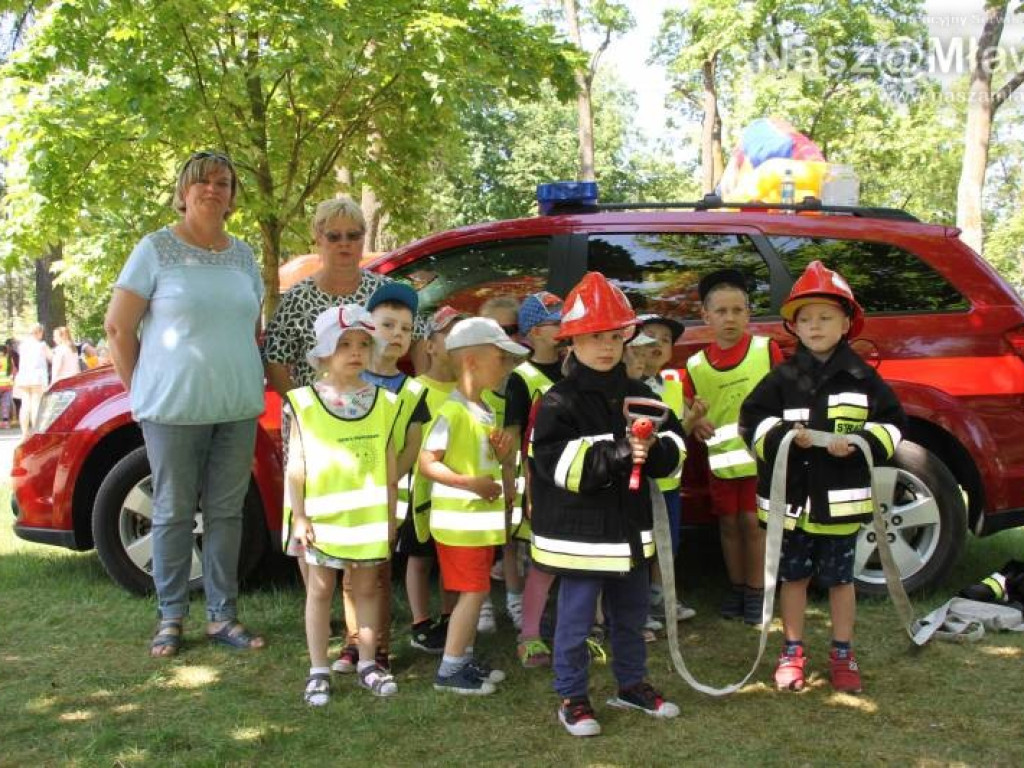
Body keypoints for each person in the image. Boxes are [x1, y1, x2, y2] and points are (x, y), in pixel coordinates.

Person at [105, 150, 266, 658]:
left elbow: (251, 327)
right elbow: (117, 327)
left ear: (233, 196)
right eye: (201, 182)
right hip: (172, 410)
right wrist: (143, 386)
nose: (212, 189)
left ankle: (223, 617)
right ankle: (170, 617)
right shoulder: (155, 249)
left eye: (222, 183)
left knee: (226, 513)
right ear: (183, 193)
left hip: (237, 406)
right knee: (173, 513)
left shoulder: (244, 256)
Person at [530, 272, 686, 737]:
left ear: (625, 338)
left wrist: (656, 451)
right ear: (572, 341)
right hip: (578, 539)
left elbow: (675, 450)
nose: (605, 347)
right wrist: (620, 452)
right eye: (593, 337)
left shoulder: (645, 396)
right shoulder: (558, 401)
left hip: (630, 534)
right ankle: (573, 697)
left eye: (613, 336)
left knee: (632, 617)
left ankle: (631, 685)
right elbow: (555, 466)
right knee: (575, 622)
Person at [739, 261, 906, 694]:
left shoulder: (864, 378)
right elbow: (751, 421)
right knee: (793, 578)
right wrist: (781, 437)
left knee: (840, 580)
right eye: (805, 319)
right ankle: (792, 650)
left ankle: (842, 652)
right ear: (793, 326)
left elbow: (892, 424)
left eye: (825, 317)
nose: (814, 326)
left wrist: (862, 443)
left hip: (840, 505)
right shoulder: (781, 378)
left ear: (847, 322)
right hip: (793, 504)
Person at [284, 304, 400, 704]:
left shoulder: (386, 403)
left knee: (367, 588)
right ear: (324, 351)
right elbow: (295, 463)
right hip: (319, 519)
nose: (355, 352)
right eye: (345, 344)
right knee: (319, 590)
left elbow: (387, 464)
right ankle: (318, 668)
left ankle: (368, 661)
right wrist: (299, 515)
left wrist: (390, 516)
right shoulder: (303, 402)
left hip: (366, 519)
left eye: (363, 345)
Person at [419, 317, 528, 695]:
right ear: (471, 362)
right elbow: (427, 462)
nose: (508, 368)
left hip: (479, 524)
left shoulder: (483, 409)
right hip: (459, 525)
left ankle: (462, 659)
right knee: (474, 592)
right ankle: (450, 670)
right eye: (501, 359)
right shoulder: (453, 411)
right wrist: (471, 484)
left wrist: (499, 457)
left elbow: (477, 460)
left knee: (475, 591)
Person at [331, 281, 429, 675]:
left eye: (405, 329)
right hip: (347, 494)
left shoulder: (412, 391)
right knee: (351, 575)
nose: (397, 335)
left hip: (387, 499)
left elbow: (413, 445)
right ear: (368, 328)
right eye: (388, 325)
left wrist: (387, 478)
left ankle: (380, 647)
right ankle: (354, 643)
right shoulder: (348, 385)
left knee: (378, 577)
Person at [683, 269, 784, 624]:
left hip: (761, 461)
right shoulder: (695, 365)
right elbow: (687, 411)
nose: (730, 318)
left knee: (754, 524)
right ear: (705, 316)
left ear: (748, 314)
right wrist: (695, 424)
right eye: (721, 311)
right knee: (728, 526)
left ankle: (758, 592)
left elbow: (785, 396)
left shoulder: (765, 350)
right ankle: (737, 587)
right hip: (722, 464)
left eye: (738, 310)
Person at [263, 196, 426, 399]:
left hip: (378, 417)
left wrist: (420, 395)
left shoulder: (383, 290)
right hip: (319, 424)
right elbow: (274, 358)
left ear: (363, 238)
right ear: (319, 238)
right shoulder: (297, 297)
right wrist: (300, 407)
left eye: (353, 235)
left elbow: (420, 336)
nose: (344, 244)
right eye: (334, 237)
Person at [502, 291, 565, 667]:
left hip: (572, 475)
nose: (564, 329)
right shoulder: (520, 378)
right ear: (535, 332)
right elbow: (511, 435)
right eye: (556, 323)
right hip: (536, 480)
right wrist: (515, 484)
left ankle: (579, 625)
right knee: (535, 557)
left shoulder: (576, 365)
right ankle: (531, 631)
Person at [403, 306, 466, 656]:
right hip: (422, 492)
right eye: (448, 336)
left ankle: (449, 616)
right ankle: (420, 621)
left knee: (450, 557)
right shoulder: (415, 390)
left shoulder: (470, 390)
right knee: (420, 556)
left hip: (458, 492)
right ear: (429, 346)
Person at [635, 313, 700, 628]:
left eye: (665, 339)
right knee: (641, 541)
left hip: (669, 482)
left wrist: (695, 418)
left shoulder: (672, 386)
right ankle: (638, 602)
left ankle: (661, 596)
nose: (657, 345)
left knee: (668, 541)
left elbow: (678, 434)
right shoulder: (630, 386)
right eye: (650, 338)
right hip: (639, 482)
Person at [477, 295, 523, 633]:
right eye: (494, 330)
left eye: (510, 329)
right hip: (477, 474)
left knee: (510, 539)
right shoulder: (475, 383)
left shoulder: (521, 378)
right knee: (479, 543)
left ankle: (516, 600)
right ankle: (480, 606)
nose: (503, 338)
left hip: (512, 471)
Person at [13, 324, 49, 436]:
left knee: (25, 405)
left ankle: (24, 432)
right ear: (38, 332)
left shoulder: (22, 346)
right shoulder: (42, 345)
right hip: (37, 377)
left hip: (24, 376)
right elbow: (51, 357)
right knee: (36, 404)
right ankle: (35, 432)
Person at [0, 342, 14, 429]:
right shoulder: (9, 360)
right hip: (8, 386)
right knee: (6, 404)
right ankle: (5, 422)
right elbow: (13, 372)